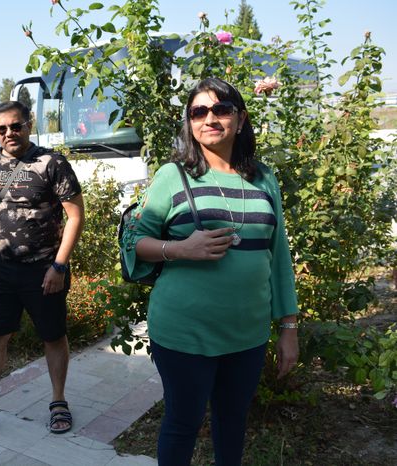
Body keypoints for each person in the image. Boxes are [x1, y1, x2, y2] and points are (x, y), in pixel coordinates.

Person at [120, 77, 299, 465]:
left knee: (233, 423)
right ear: (189, 122)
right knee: (182, 423)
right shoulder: (174, 175)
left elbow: (279, 255)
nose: (210, 119)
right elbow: (136, 241)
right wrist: (180, 248)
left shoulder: (264, 178)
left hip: (248, 334)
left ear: (240, 118)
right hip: (185, 332)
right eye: (198, 111)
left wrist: (288, 327)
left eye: (221, 109)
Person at [0, 101, 85, 438]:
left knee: (53, 336)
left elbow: (76, 216)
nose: (9, 133)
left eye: (15, 126)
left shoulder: (52, 163)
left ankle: (58, 401)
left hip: (43, 270)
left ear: (28, 124)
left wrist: (59, 266)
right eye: (1, 129)